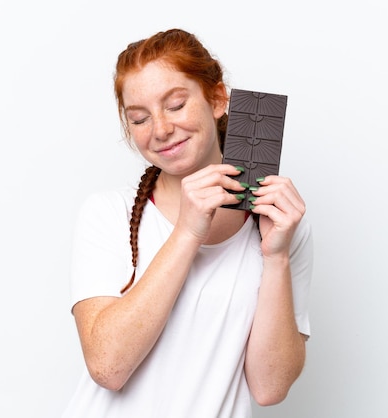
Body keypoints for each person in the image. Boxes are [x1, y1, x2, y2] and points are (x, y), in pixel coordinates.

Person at [62, 28, 313, 418]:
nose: (160, 130)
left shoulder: (278, 223)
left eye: (176, 105)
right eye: (140, 118)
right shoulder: (106, 214)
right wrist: (187, 232)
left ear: (217, 99)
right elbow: (108, 367)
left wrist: (276, 255)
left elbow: (270, 387)